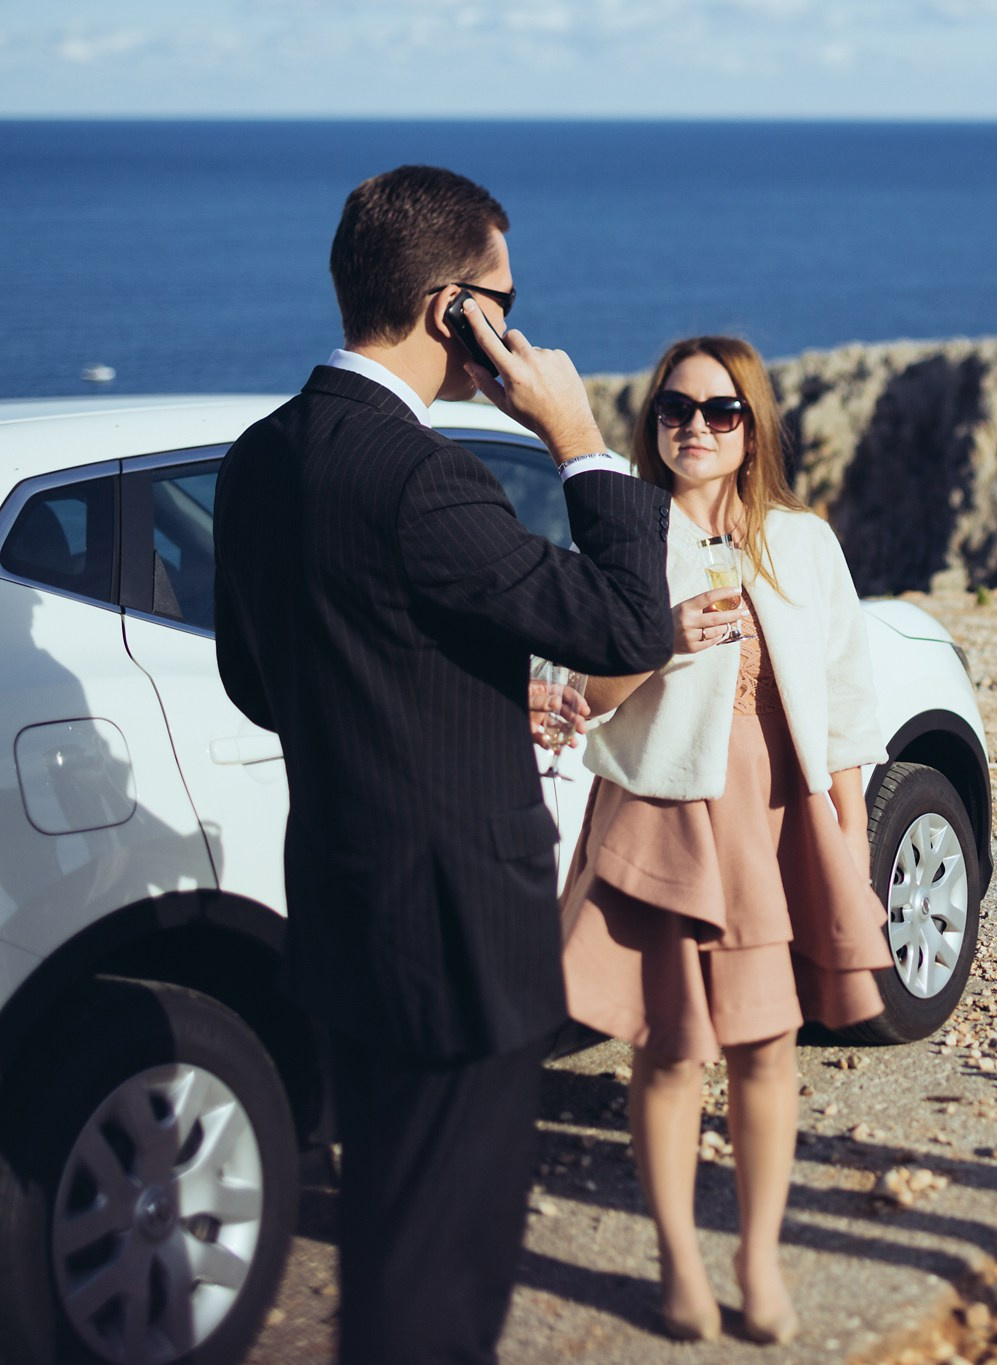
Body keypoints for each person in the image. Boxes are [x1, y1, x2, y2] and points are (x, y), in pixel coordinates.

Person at [213, 165, 676, 1365]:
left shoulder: (262, 456)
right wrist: (578, 439)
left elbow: (259, 679)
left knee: (386, 1231)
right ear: (450, 309)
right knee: (442, 1270)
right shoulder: (427, 478)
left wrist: (467, 696)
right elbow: (628, 626)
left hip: (344, 911)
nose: (516, 324)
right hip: (456, 939)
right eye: (504, 299)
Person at [557, 336, 891, 1345]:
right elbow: (582, 700)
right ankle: (675, 1260)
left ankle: (756, 1256)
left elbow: (842, 704)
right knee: (665, 1053)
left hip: (778, 813)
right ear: (652, 423)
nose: (694, 427)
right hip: (666, 809)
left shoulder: (802, 543)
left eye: (720, 411)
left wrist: (847, 840)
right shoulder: (624, 542)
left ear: (752, 430)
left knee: (767, 1046)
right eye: (673, 409)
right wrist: (654, 640)